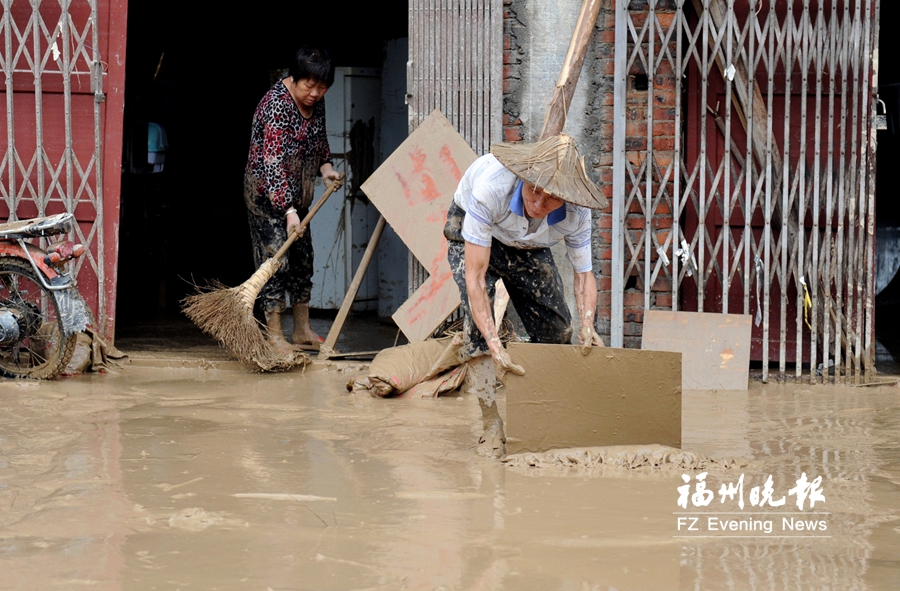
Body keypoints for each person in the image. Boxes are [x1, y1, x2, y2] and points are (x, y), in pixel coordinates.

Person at [444, 134, 609, 457]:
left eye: (551, 199)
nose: (538, 203)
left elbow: (583, 275)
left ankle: (541, 417)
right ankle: (491, 425)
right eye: (534, 189)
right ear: (523, 177)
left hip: (530, 243)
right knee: (479, 331)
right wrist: (493, 342)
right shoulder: (491, 187)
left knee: (559, 329)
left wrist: (587, 323)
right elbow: (476, 278)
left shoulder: (577, 212)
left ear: (567, 197)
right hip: (479, 230)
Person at [243, 46, 341, 354]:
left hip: (298, 198)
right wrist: (287, 210)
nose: (315, 93)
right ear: (294, 78)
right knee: (275, 262)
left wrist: (327, 169)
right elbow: (272, 163)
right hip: (267, 198)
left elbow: (319, 140)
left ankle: (301, 330)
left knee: (302, 260)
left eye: (322, 87)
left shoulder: (316, 102)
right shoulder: (276, 106)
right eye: (309, 86)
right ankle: (274, 335)